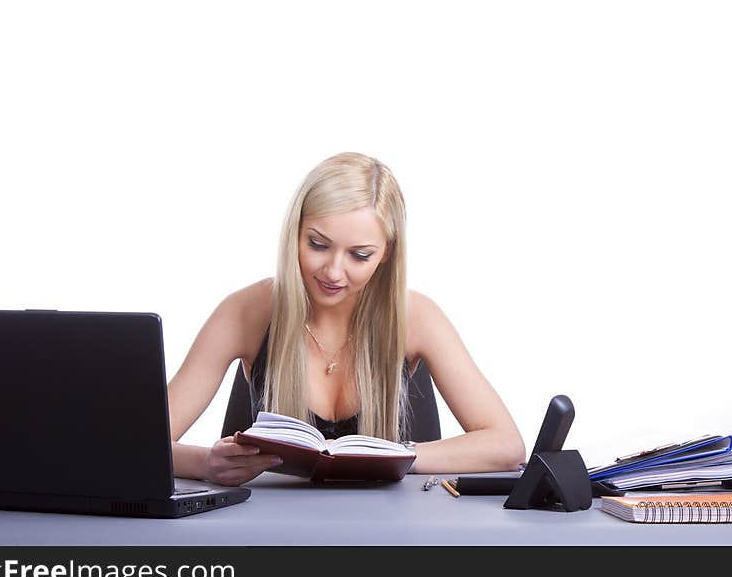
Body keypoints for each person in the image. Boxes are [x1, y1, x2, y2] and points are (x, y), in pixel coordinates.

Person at [168, 152, 526, 486]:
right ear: (294, 233)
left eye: (359, 255)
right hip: (271, 532)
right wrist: (205, 465)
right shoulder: (245, 311)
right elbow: (138, 445)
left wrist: (398, 457)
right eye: (318, 245)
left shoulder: (416, 316)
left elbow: (506, 445)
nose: (334, 272)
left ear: (386, 254)